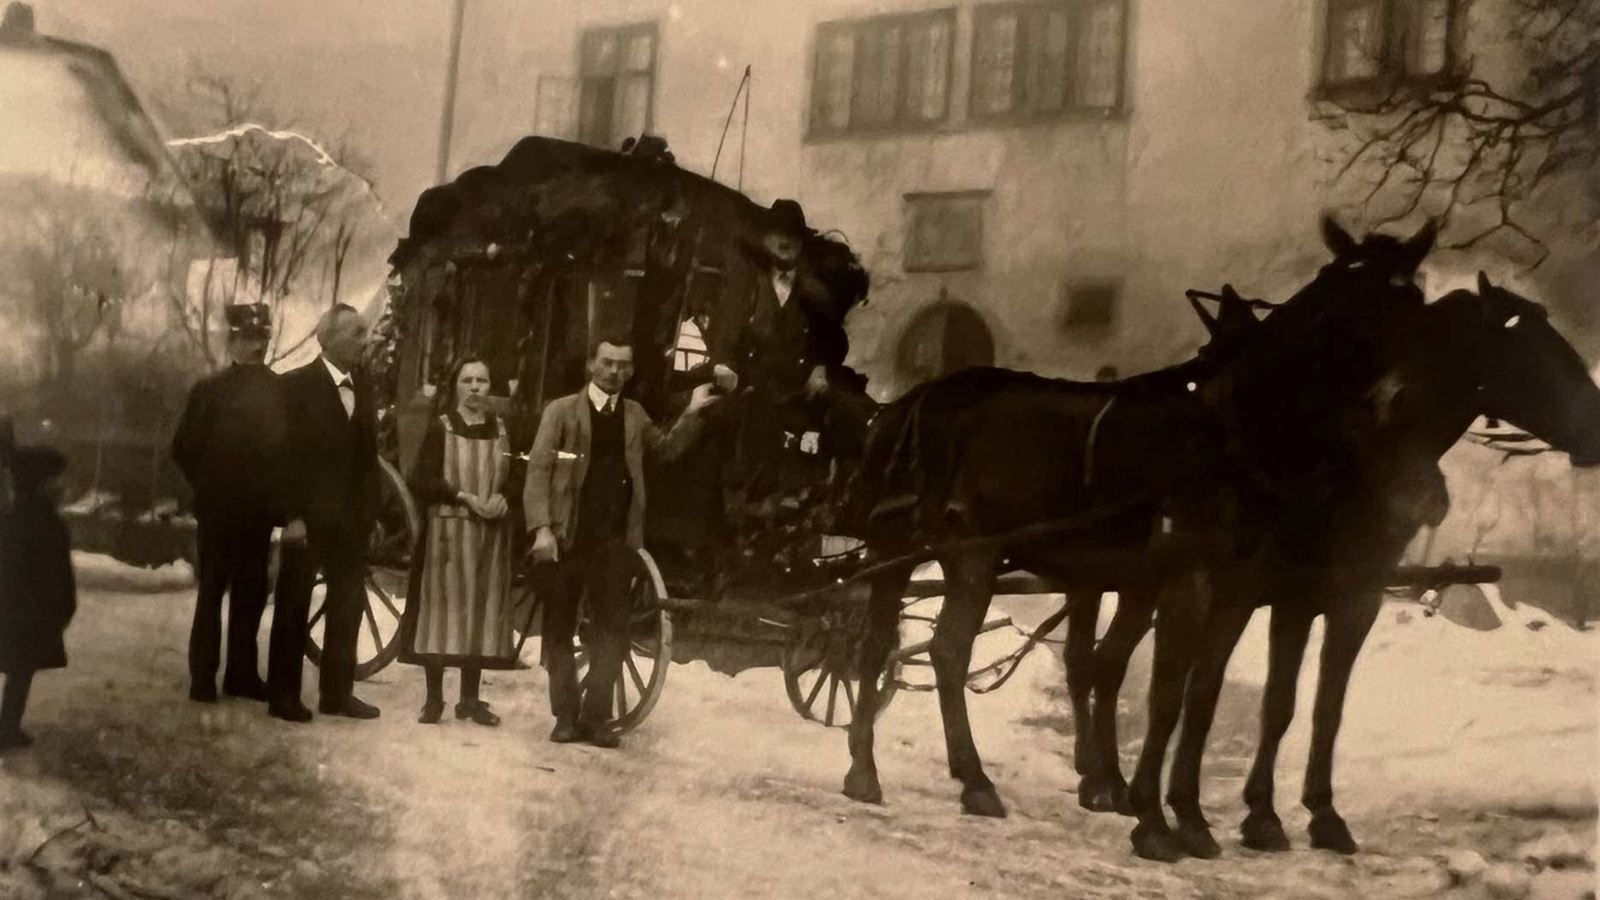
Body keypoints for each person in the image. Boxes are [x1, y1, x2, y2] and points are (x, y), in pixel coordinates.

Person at [524, 334, 719, 748]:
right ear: (591, 365)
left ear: (629, 371)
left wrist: (692, 412)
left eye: (623, 365)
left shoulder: (634, 415)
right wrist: (541, 528)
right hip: (565, 536)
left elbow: (665, 450)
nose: (615, 371)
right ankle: (565, 716)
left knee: (614, 628)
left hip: (614, 542)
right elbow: (538, 470)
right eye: (607, 362)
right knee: (559, 628)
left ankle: (595, 718)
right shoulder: (560, 412)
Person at [267, 304, 380, 723]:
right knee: (293, 605)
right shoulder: (293, 387)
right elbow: (279, 459)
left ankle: (337, 693)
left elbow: (368, 459)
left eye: (364, 333)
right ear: (326, 339)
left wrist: (372, 514)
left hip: (350, 522)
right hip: (307, 520)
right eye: (355, 334)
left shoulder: (364, 387)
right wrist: (291, 516)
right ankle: (283, 696)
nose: (364, 341)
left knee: (347, 606)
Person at [171, 303, 284, 703]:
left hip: (259, 512)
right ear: (232, 340)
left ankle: (242, 674)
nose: (257, 346)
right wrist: (206, 488)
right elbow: (183, 448)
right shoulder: (208, 390)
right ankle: (202, 678)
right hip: (218, 511)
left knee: (251, 594)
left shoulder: (280, 391)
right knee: (211, 592)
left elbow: (288, 451)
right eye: (248, 337)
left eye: (262, 337)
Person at [398, 357, 518, 726]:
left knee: (479, 614)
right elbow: (420, 480)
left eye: (482, 380)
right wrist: (463, 496)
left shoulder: (502, 430)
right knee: (441, 615)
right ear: (456, 387)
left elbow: (519, 475)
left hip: (489, 536)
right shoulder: (441, 427)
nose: (475, 388)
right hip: (447, 535)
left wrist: (504, 497)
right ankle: (434, 699)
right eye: (468, 381)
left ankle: (470, 700)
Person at [0, 445, 76, 751]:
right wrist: (63, 608)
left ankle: (7, 728)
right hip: (31, 614)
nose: (63, 485)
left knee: (17, 669)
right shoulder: (49, 524)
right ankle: (7, 728)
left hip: (11, 608)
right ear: (41, 483)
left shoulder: (10, 518)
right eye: (56, 479)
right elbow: (58, 575)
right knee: (20, 672)